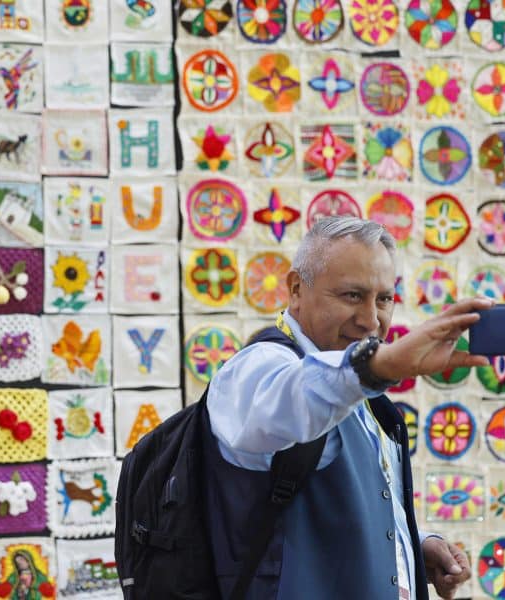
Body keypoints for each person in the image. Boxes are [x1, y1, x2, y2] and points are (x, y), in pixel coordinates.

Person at [206, 216, 486, 600]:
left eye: (384, 299)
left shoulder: (354, 382)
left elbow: (344, 510)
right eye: (352, 296)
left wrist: (413, 547)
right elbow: (293, 402)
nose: (371, 320)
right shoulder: (259, 369)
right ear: (295, 289)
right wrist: (379, 366)